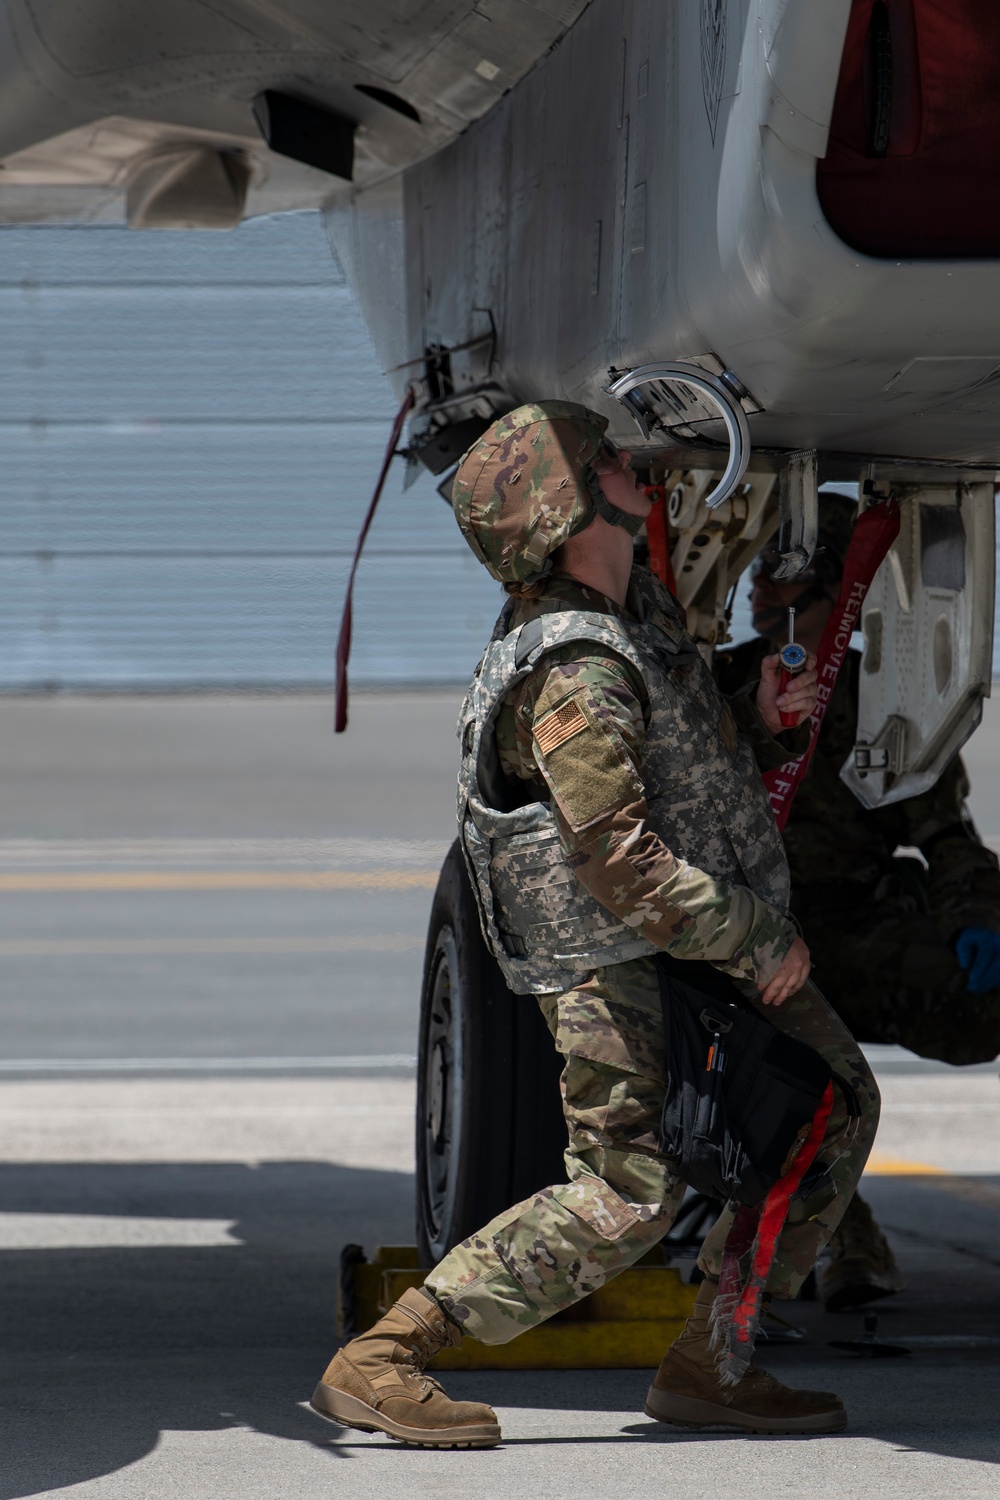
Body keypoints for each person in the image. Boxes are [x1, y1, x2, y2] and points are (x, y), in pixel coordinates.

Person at [308, 403, 879, 1448]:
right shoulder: (574, 666)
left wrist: (756, 712)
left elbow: (678, 764)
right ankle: (384, 1357)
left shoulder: (635, 621)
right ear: (569, 507)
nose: (631, 463)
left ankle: (713, 1361)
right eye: (605, 460)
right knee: (626, 1192)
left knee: (831, 1107)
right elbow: (615, 860)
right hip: (622, 963)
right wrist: (756, 940)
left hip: (687, 945)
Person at [715, 492, 1000, 1311]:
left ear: (834, 588)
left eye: (783, 570)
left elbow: (947, 836)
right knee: (783, 1064)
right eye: (762, 566)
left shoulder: (888, 702)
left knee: (979, 1002)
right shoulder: (726, 685)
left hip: (850, 926)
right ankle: (843, 1230)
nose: (760, 584)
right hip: (743, 933)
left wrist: (977, 920)